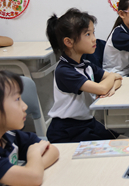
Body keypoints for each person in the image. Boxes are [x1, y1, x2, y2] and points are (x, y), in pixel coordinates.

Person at [45, 8, 122, 143]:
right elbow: (104, 86)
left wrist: (112, 87)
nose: (94, 39)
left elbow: (117, 78)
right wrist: (109, 81)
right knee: (118, 147)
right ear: (68, 42)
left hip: (87, 123)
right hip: (67, 131)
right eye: (87, 34)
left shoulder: (86, 65)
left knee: (123, 140)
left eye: (93, 33)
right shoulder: (64, 71)